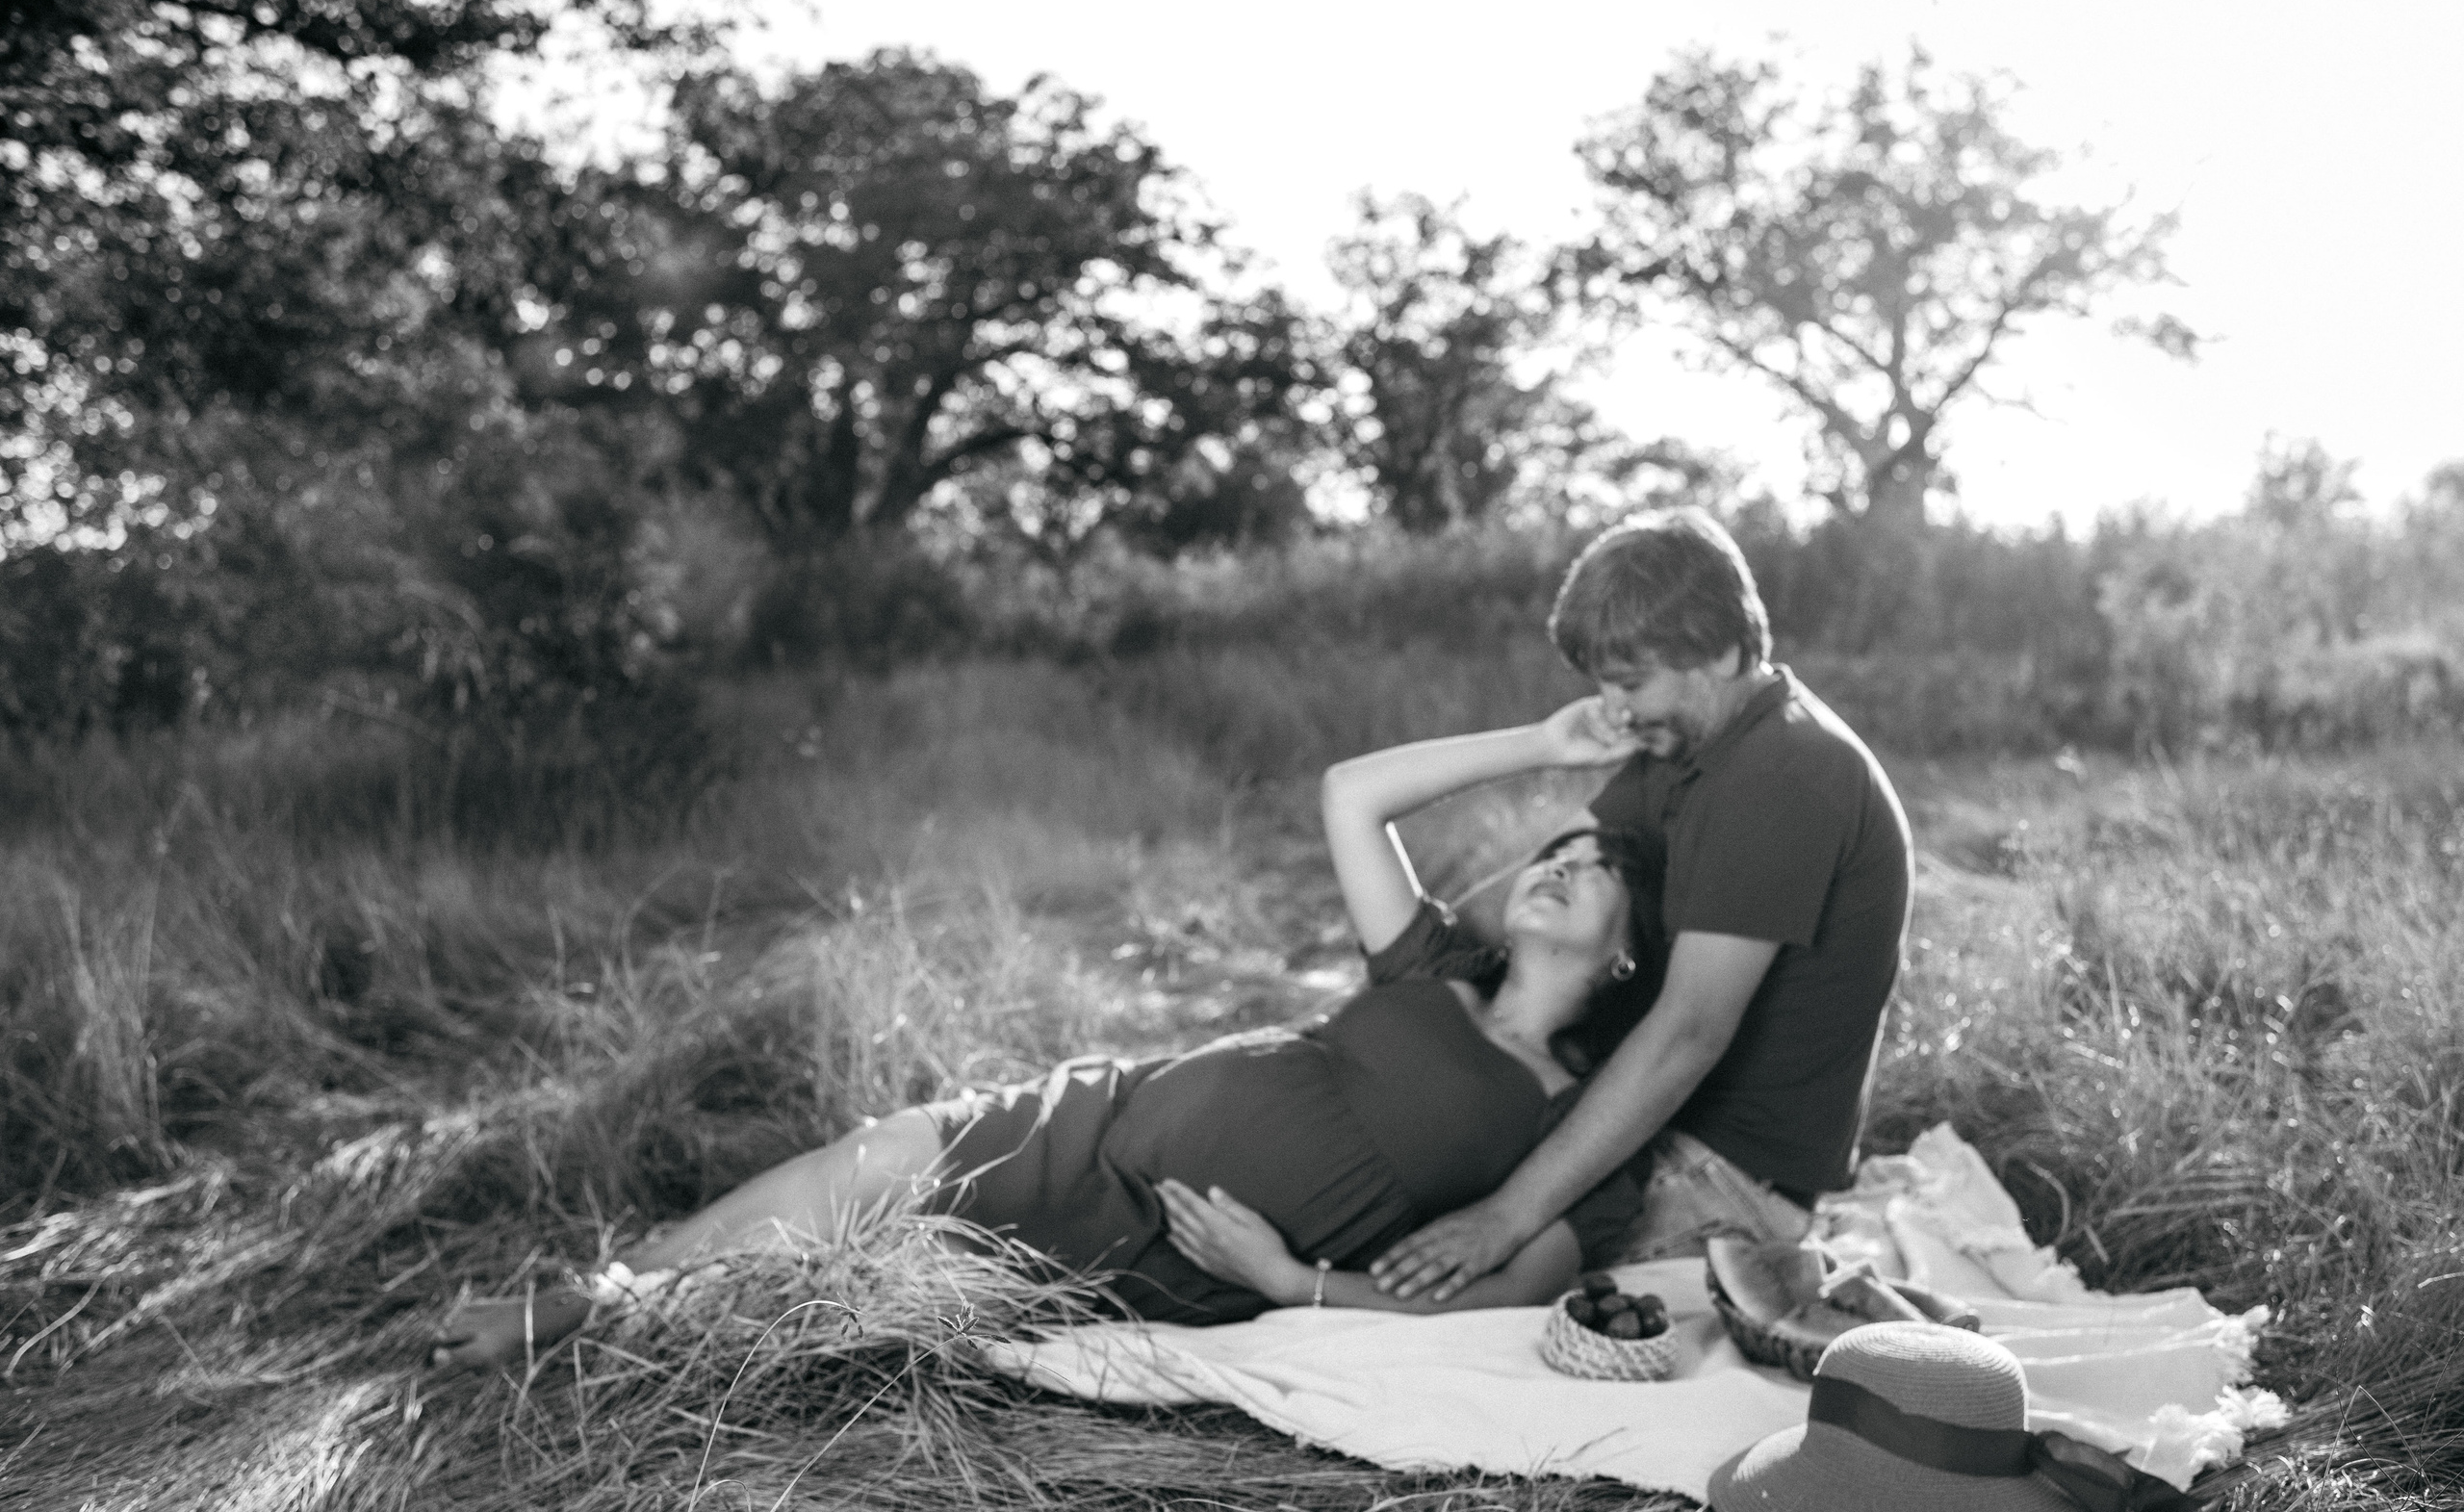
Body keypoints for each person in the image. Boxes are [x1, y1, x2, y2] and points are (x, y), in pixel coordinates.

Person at [432, 703, 1664, 1370]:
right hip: (1095, 1119)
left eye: (1595, 865)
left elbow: (1507, 1297)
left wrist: (1293, 1284)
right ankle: (601, 1298)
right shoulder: (1440, 960)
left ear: (1628, 954)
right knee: (867, 1163)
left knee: (847, 1296)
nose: (1558, 862)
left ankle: (638, 1323)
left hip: (1178, 1255)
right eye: (1552, 845)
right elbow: (1351, 792)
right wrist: (1544, 745)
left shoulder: (1582, 1117)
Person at [1372, 508, 1913, 1303]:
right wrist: (1411, 985)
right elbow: (1528, 895)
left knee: (1414, 1270)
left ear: (1725, 650)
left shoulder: (1786, 774)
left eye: (1631, 682)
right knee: (1380, 1170)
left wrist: (1505, 1216)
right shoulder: (1686, 745)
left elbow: (1689, 1033)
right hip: (1638, 1120)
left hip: (1723, 1174)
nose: (1614, 708)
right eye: (1600, 683)